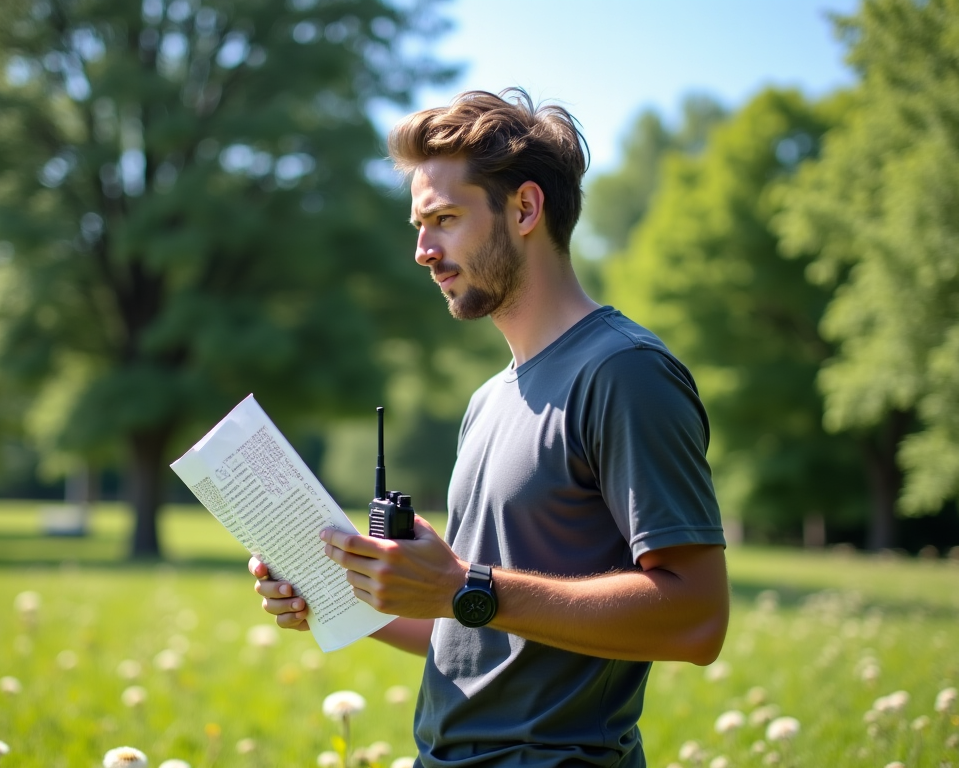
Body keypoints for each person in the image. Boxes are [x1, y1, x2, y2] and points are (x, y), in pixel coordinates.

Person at [250, 88, 729, 768]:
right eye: (419, 225)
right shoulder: (489, 399)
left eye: (444, 219)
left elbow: (697, 620)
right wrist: (346, 595)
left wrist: (464, 586)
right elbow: (480, 629)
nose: (422, 250)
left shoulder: (625, 373)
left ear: (525, 209)